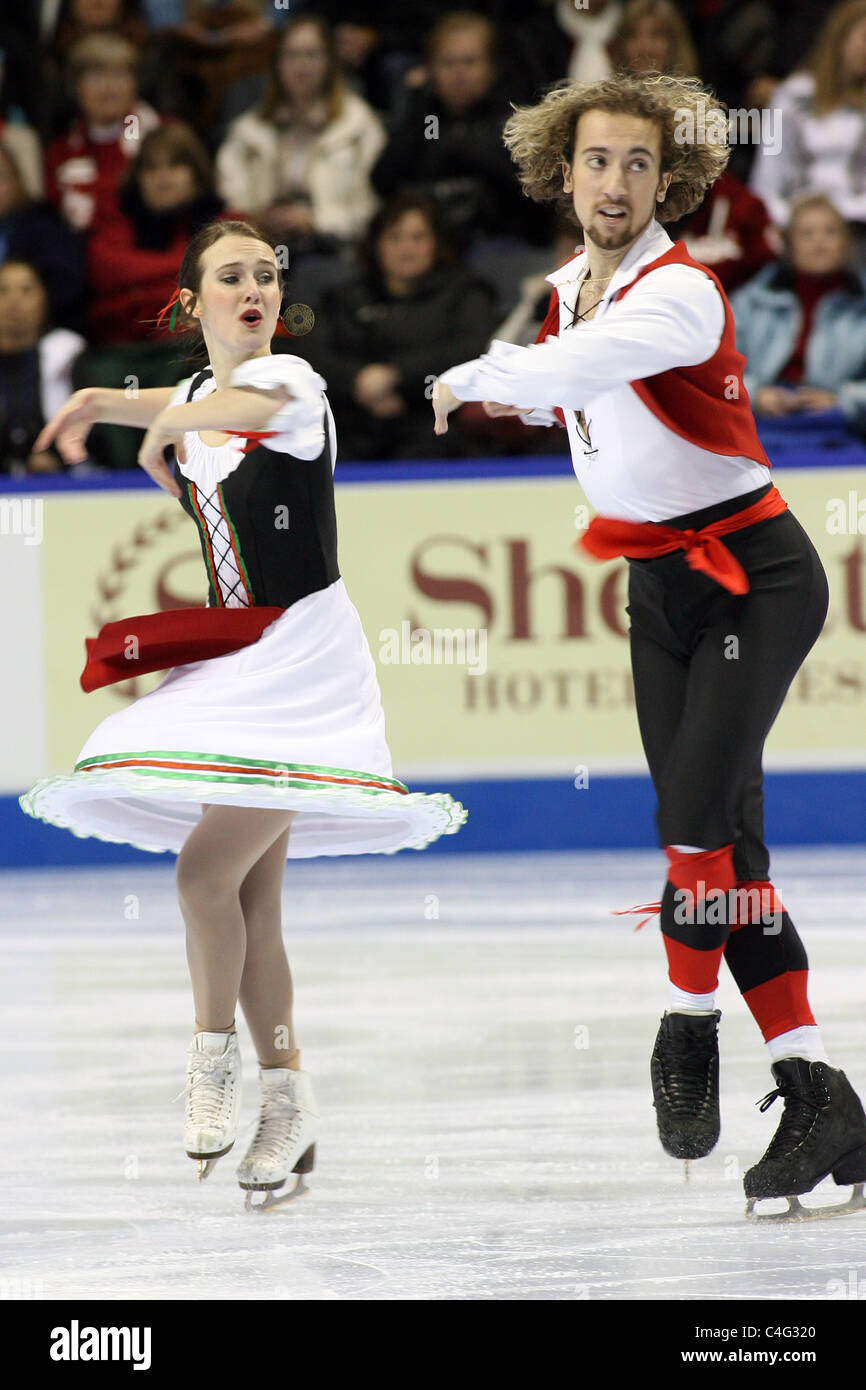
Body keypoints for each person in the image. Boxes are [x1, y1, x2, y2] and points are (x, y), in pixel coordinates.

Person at [431, 70, 866, 1220]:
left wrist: (477, 372)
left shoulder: (677, 293)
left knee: (689, 824)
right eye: (594, 161)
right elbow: (561, 398)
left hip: (752, 578)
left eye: (635, 163)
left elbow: (568, 374)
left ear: (665, 179)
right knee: (725, 849)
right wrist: (506, 374)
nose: (613, 182)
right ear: (561, 173)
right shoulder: (569, 288)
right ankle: (820, 1091)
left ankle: (686, 1027)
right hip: (655, 588)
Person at [21, 218, 466, 1210]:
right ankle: (287, 1097)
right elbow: (182, 400)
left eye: (266, 273)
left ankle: (211, 1056)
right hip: (239, 664)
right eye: (232, 276)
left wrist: (155, 428)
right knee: (250, 902)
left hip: (303, 665)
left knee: (200, 870)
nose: (255, 288)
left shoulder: (293, 384)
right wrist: (102, 400)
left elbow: (241, 401)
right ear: (192, 302)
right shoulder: (186, 397)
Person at [729, 193, 866, 423]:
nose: (819, 243)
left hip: (844, 426)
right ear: (788, 245)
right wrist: (754, 395)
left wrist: (842, 400)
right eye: (806, 234)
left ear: (847, 242)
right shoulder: (749, 302)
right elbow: (717, 369)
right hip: (756, 422)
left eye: (830, 232)